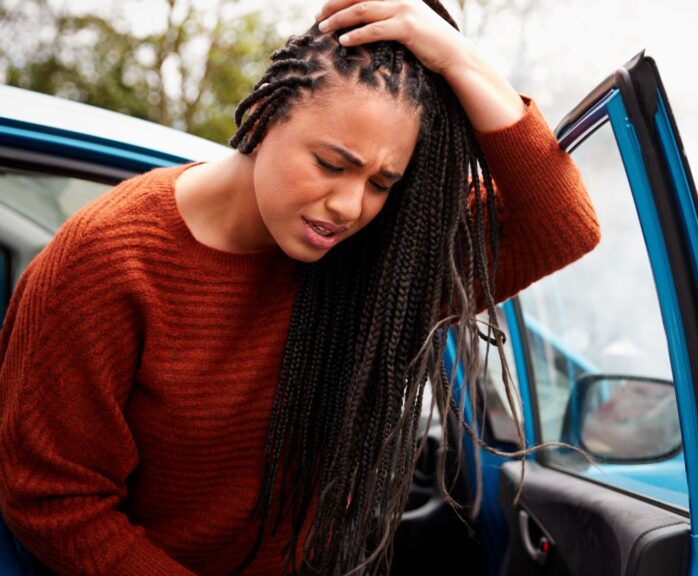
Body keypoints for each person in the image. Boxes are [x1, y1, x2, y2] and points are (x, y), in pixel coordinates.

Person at [0, 0, 600, 574]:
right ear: (264, 117)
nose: (348, 206)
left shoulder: (373, 259)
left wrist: (459, 59)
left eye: (381, 183)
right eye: (331, 164)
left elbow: (562, 225)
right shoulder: (105, 262)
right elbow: (53, 501)